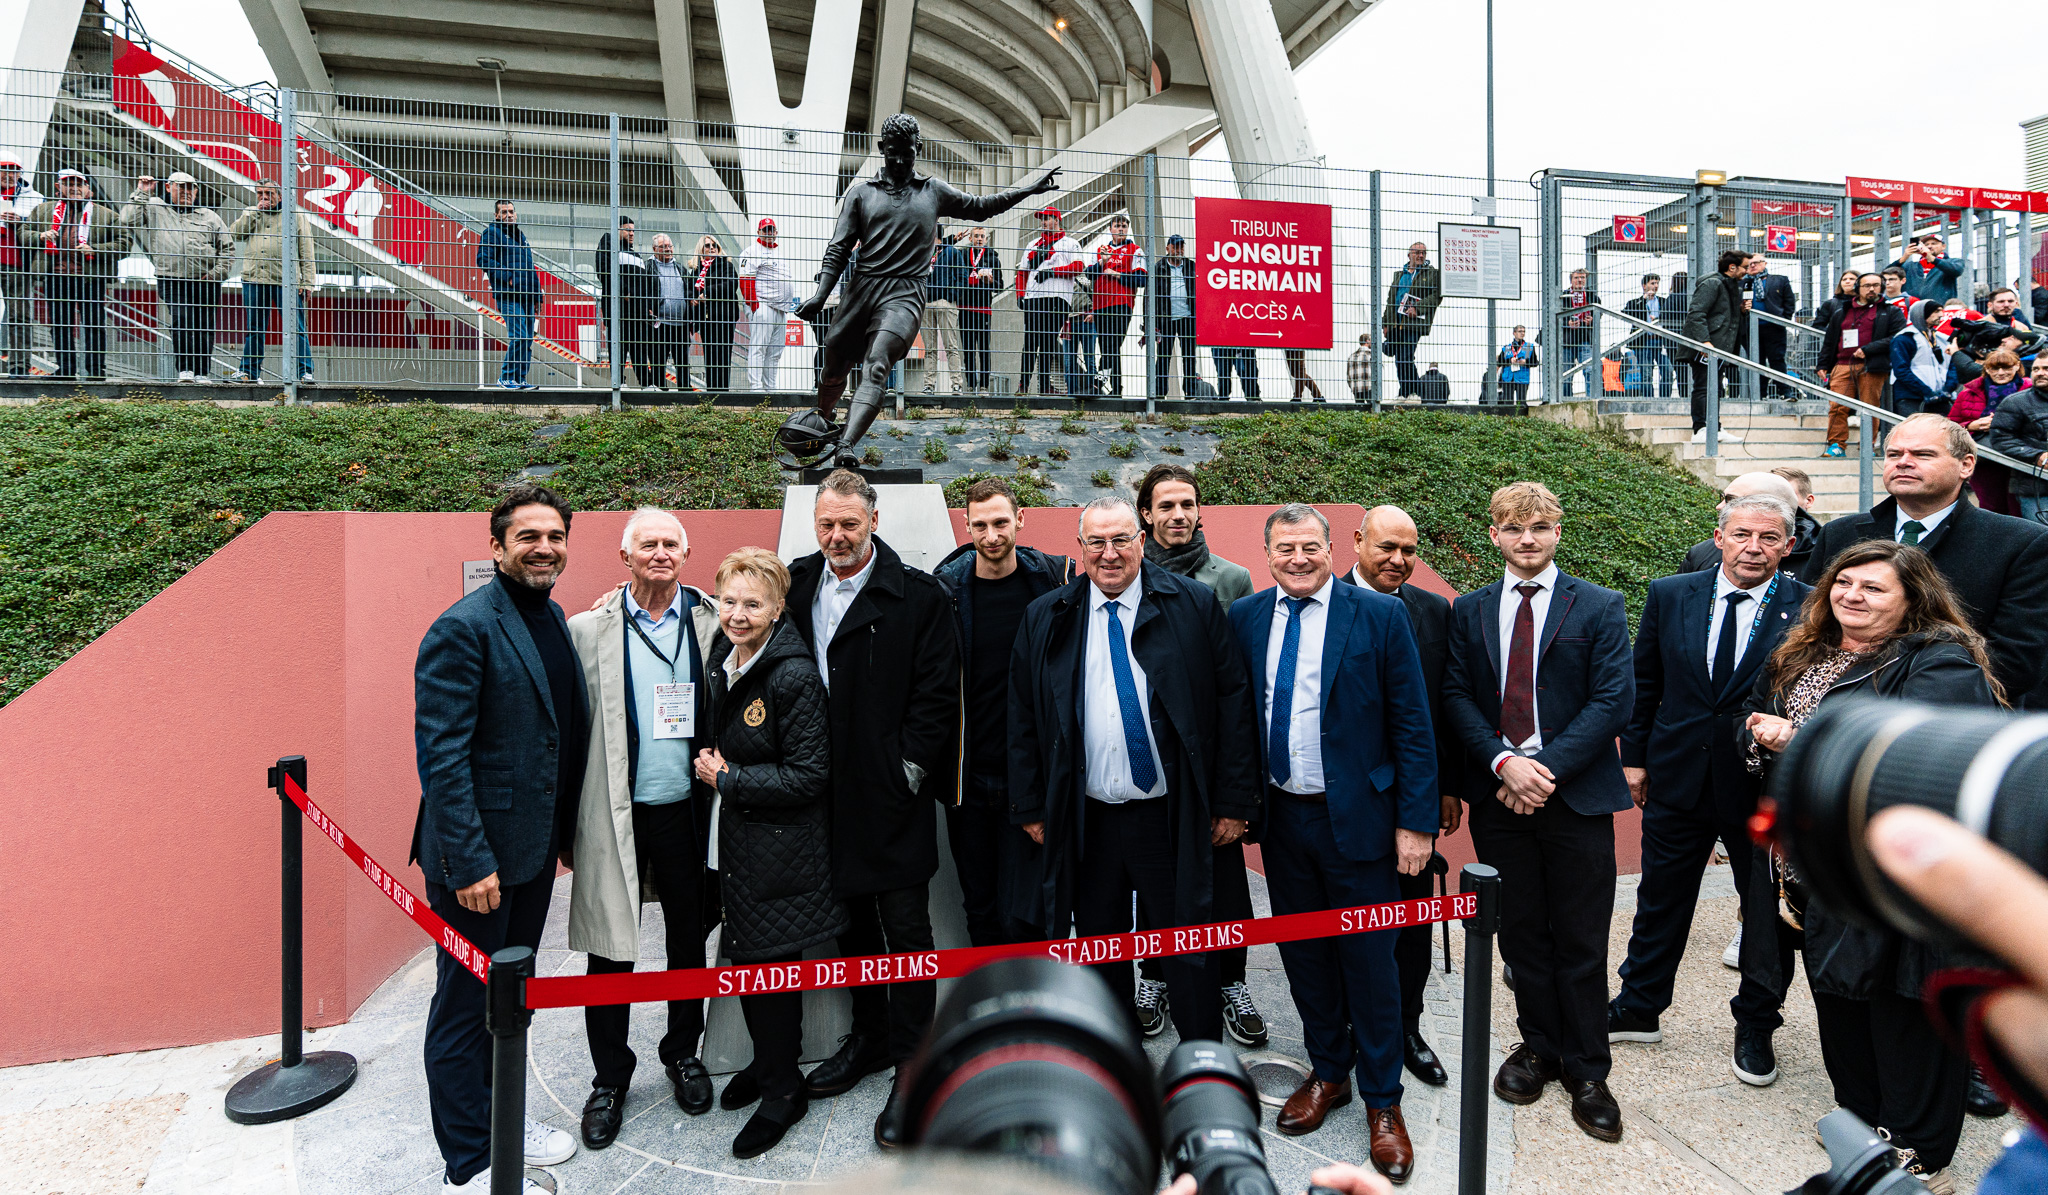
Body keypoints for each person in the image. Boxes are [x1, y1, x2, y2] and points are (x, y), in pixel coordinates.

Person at [1741, 539, 2002, 1191]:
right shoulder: (1807, 653)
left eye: (1874, 587)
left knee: (1902, 1015)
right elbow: (1767, 728)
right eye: (1843, 582)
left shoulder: (1940, 660)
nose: (1852, 595)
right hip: (1816, 868)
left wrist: (1798, 740)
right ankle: (1864, 1133)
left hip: (1898, 880)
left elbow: (1926, 758)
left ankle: (1917, 1155)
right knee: (1840, 1004)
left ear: (1912, 598)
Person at [1228, 505, 1435, 1182]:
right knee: (1305, 956)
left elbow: (1412, 724)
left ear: (1331, 548)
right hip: (1283, 823)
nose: (1298, 557)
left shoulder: (1378, 616)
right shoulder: (1248, 617)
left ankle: (1383, 1100)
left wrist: (1415, 823)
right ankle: (1328, 1071)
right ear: (1267, 552)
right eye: (1285, 547)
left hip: (1362, 822)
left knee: (1371, 963)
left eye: (1309, 546)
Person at [1008, 496, 1262, 1047]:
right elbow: (1023, 715)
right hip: (1087, 816)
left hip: (1170, 815)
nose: (1109, 553)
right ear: (1079, 548)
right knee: (1100, 947)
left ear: (1141, 540)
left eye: (1121, 539)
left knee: (1188, 948)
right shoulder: (1048, 615)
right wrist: (1031, 805)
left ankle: (1199, 1065)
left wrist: (1234, 801)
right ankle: (1116, 1064)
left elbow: (1233, 702)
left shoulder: (1191, 605)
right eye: (1096, 542)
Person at [1441, 481, 1634, 1144]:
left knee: (1580, 938)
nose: (1528, 539)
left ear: (1558, 532)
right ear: (1493, 533)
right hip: (1500, 798)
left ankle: (1587, 1068)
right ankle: (1539, 1047)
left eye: (1540, 527)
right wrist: (1503, 763)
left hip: (1574, 797)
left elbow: (1613, 701)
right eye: (1514, 528)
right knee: (1521, 934)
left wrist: (1539, 769)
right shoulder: (1468, 611)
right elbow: (1457, 696)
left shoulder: (1601, 605)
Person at [410, 485, 586, 1193]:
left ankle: (501, 1120)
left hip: (532, 851)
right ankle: (472, 1157)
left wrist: (562, 833)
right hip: (478, 861)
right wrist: (471, 858)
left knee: (511, 996)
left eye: (554, 535)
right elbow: (442, 756)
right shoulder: (463, 627)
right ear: (496, 546)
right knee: (464, 1003)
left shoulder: (553, 616)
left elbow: (555, 733)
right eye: (528, 536)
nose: (544, 546)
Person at [784, 470, 960, 1147]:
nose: (836, 536)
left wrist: (906, 770)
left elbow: (939, 694)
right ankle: (871, 1037)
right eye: (826, 524)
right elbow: (734, 617)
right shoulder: (798, 583)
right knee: (849, 927)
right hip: (821, 796)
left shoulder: (918, 595)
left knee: (906, 931)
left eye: (848, 524)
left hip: (891, 798)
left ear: (874, 521)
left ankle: (913, 1059)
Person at [1610, 494, 1810, 1089]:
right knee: (1661, 897)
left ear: (1788, 546)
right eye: (1743, 534)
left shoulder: (1809, 609)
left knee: (1765, 915)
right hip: (1676, 776)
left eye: (1769, 538)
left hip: (1760, 786)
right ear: (1718, 537)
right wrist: (1636, 759)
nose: (1754, 547)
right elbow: (1646, 680)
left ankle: (1756, 1024)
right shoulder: (1673, 593)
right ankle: (1639, 1005)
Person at [565, 508, 720, 1150]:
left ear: (685, 554)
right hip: (616, 812)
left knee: (688, 936)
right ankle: (609, 1077)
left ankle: (682, 1051)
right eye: (647, 544)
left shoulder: (713, 620)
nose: (660, 553)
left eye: (670, 545)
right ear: (624, 556)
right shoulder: (588, 628)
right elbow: (569, 733)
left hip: (687, 808)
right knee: (612, 947)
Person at [693, 547, 844, 1159]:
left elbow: (810, 775)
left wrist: (729, 780)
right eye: (729, 601)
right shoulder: (724, 659)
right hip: (738, 842)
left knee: (769, 969)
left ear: (780, 609)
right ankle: (767, 1063)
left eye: (753, 604)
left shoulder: (792, 675)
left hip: (779, 852)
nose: (737, 614)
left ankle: (784, 1093)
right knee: (750, 966)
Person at [791, 116, 1055, 463]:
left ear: (919, 150)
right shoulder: (861, 194)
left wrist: (1027, 191)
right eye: (893, 154)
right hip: (862, 290)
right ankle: (824, 420)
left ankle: (846, 445)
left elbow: (981, 208)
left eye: (907, 154)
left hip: (904, 294)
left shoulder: (933, 191)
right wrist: (821, 296)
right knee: (834, 367)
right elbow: (839, 248)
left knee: (876, 366)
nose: (900, 161)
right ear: (881, 150)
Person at [1338, 505, 1464, 1088]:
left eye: (1409, 551)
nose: (1399, 561)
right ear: (1358, 541)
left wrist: (1443, 788)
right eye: (1387, 547)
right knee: (1344, 923)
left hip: (1413, 796)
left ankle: (1407, 1028)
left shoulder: (1433, 610)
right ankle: (1345, 1029)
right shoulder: (1322, 601)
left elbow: (1443, 706)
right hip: (1346, 801)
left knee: (1410, 924)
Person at [1804, 413, 2048, 709]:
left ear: (1966, 465)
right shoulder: (1839, 534)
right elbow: (1809, 627)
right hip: (1836, 711)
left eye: (1923, 454)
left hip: (1950, 721)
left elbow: (2016, 660)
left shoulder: (2022, 542)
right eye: (1893, 454)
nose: (1903, 462)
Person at [934, 477, 1071, 946]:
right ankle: (993, 1010)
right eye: (979, 526)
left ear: (1020, 519)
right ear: (966, 527)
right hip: (968, 779)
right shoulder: (946, 591)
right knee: (980, 906)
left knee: (1030, 911)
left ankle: (1035, 1008)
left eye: (999, 523)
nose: (991, 536)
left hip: (1029, 778)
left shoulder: (1053, 583)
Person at [120, 171, 230, 383]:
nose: (187, 192)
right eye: (181, 187)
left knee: (203, 325)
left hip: (205, 279)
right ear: (169, 187)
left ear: (197, 191)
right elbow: (127, 219)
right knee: (181, 320)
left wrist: (217, 274)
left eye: (191, 188)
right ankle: (185, 369)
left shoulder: (209, 216)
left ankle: (201, 372)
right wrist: (142, 192)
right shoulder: (154, 207)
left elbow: (227, 248)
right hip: (171, 277)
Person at [32, 169, 120, 382]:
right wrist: (40, 235)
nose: (75, 188)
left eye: (80, 184)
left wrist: (96, 250)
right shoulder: (42, 210)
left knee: (94, 325)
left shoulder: (107, 215)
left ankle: (96, 371)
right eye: (68, 183)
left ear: (88, 189)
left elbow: (124, 244)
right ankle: (66, 370)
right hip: (56, 277)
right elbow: (24, 233)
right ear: (57, 187)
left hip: (90, 279)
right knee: (60, 325)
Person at [228, 178, 316, 384]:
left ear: (279, 195)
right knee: (255, 328)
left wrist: (308, 281)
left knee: (296, 327)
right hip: (254, 278)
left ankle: (304, 372)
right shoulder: (251, 213)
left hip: (286, 280)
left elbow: (306, 249)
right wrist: (254, 212)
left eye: (269, 193)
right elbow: (235, 233)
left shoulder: (296, 215)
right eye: (260, 193)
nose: (264, 197)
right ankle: (249, 372)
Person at [1817, 273, 1903, 458]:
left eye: (1876, 285)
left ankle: (1867, 446)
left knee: (1869, 407)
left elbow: (1897, 336)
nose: (1871, 289)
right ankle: (1836, 445)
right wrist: (1823, 364)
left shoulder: (1890, 311)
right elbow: (1830, 341)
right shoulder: (1842, 311)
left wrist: (1869, 349)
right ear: (1858, 288)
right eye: (1866, 285)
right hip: (1842, 364)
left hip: (1871, 366)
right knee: (1837, 406)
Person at [1676, 471, 1814, 576]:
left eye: (1731, 500)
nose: (1719, 506)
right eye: (1740, 535)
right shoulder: (1702, 553)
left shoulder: (1817, 558)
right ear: (1719, 538)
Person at [1014, 205, 1083, 397]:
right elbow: (1022, 272)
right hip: (1034, 297)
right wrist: (1020, 294)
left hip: (1057, 298)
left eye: (1047, 218)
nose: (1043, 222)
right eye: (1041, 219)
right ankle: (1023, 386)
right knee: (1030, 342)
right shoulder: (1033, 244)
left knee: (1047, 342)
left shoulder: (1070, 243)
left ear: (1057, 220)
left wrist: (1053, 271)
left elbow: (1078, 266)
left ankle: (1044, 386)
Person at [1682, 250, 1750, 442]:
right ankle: (1701, 429)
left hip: (1719, 346)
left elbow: (1722, 315)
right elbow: (1696, 314)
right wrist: (1705, 342)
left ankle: (1714, 427)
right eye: (1745, 267)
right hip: (1706, 345)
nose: (1747, 270)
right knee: (1704, 385)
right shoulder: (1713, 283)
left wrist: (1742, 311)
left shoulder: (1731, 286)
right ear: (1732, 267)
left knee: (1715, 387)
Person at [475, 199, 540, 390]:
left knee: (527, 339)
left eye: (511, 211)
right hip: (509, 294)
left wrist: (537, 296)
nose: (509, 215)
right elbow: (483, 259)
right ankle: (506, 377)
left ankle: (519, 379)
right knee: (519, 336)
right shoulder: (492, 233)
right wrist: (507, 276)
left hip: (527, 295)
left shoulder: (521, 237)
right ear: (496, 215)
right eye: (504, 212)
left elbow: (530, 267)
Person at [1088, 213, 1146, 397]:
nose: (1120, 228)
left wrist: (1117, 274)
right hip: (1100, 304)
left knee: (1113, 342)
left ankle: (1098, 381)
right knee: (1107, 346)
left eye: (1124, 225)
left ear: (1127, 229)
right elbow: (1088, 274)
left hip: (1122, 303)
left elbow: (1141, 279)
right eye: (1117, 225)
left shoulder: (1135, 250)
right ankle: (1116, 390)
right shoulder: (1101, 250)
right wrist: (1102, 262)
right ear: (1110, 229)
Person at [737, 217, 794, 392]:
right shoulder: (751, 251)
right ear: (759, 232)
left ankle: (771, 388)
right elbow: (745, 280)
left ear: (776, 233)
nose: (769, 233)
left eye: (771, 230)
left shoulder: (779, 253)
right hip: (764, 305)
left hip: (781, 309)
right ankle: (756, 387)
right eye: (765, 230)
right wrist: (755, 306)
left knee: (775, 352)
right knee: (758, 348)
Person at [1989, 355, 2048, 524]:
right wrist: (2037, 456)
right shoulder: (2016, 402)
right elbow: (2001, 439)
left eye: (2046, 369)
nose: (2040, 373)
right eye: (2036, 369)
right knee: (2043, 541)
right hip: (2036, 489)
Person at [0, 152, 41, 377]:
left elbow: (43, 226)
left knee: (20, 316)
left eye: (14, 170)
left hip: (17, 263)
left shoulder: (34, 197)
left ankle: (19, 367)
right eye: (4, 169)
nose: (9, 174)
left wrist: (22, 221)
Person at [1382, 242, 1440, 398]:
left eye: (1424, 253)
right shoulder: (1399, 275)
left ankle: (1412, 392)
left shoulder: (1431, 273)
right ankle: (1405, 392)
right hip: (1397, 323)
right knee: (1400, 359)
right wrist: (1385, 323)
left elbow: (1436, 296)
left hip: (1414, 323)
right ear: (1409, 255)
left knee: (1406, 356)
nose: (1421, 256)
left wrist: (1418, 308)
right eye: (1417, 252)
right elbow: (1390, 300)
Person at [688, 236, 740, 392]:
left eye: (715, 246)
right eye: (707, 246)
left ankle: (723, 393)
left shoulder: (726, 265)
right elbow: (690, 288)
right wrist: (693, 298)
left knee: (723, 356)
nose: (712, 248)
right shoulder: (696, 270)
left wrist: (706, 294)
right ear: (700, 250)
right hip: (705, 319)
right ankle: (712, 392)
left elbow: (730, 284)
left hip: (723, 318)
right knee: (710, 357)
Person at [1152, 234, 1199, 398]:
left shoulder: (1192, 267)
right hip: (1166, 320)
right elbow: (1149, 297)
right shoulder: (1158, 268)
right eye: (1175, 247)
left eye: (1181, 247)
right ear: (1168, 248)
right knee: (1163, 357)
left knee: (1189, 356)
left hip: (1188, 318)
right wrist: (1148, 323)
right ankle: (1159, 393)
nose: (1179, 250)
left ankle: (1191, 392)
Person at [645, 234, 693, 391]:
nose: (667, 249)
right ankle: (660, 396)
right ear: (654, 249)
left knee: (683, 363)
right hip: (660, 324)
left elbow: (690, 291)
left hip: (681, 325)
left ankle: (685, 396)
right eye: (663, 246)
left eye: (670, 246)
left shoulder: (681, 268)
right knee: (658, 362)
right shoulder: (648, 268)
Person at [921, 226, 964, 396]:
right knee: (930, 348)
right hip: (926, 303)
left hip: (945, 302)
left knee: (950, 345)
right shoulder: (923, 254)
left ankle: (956, 384)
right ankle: (929, 385)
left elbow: (962, 277)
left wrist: (951, 296)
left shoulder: (952, 253)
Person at [1744, 254, 1796, 396]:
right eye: (1750, 264)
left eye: (1756, 263)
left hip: (1774, 327)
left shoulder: (1779, 280)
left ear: (1764, 263)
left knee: (1777, 359)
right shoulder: (1743, 283)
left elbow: (1789, 302)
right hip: (1751, 328)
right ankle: (1760, 393)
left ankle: (1784, 391)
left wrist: (1783, 319)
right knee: (1756, 361)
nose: (1753, 266)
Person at [957, 226, 999, 394]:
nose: (979, 239)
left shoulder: (993, 258)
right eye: (976, 236)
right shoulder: (962, 256)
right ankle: (970, 384)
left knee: (983, 350)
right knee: (967, 350)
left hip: (983, 310)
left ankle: (984, 386)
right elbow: (957, 280)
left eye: (982, 236)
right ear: (970, 239)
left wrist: (990, 282)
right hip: (965, 309)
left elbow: (1000, 286)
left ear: (986, 239)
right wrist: (968, 281)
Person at [1890, 299, 1950, 415]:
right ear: (1922, 313)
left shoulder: (1942, 338)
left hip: (1940, 397)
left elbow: (1952, 366)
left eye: (1941, 311)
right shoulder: (1904, 338)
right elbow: (1901, 370)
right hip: (1911, 397)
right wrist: (1925, 391)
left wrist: (1947, 390)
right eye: (1936, 311)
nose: (1941, 315)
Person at [1622, 275, 1674, 398]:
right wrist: (1643, 300)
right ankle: (1648, 400)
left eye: (1657, 283)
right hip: (1643, 342)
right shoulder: (1635, 302)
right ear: (1644, 286)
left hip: (1661, 342)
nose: (1655, 286)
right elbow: (1627, 314)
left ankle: (1664, 400)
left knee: (1668, 371)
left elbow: (1671, 317)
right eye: (1652, 283)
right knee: (1646, 374)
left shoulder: (1663, 301)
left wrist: (1658, 320)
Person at [1557, 269, 1602, 398]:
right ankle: (1565, 400)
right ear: (1571, 280)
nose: (1580, 280)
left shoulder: (1592, 296)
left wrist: (1592, 319)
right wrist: (1567, 322)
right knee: (1565, 373)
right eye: (1577, 278)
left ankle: (1591, 399)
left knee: (1590, 370)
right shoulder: (1563, 296)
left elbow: (1599, 312)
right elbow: (1555, 314)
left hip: (1585, 338)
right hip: (1566, 340)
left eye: (1582, 277)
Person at [1891, 234, 1966, 305]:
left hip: (1939, 310)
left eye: (1934, 243)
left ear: (1943, 246)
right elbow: (1886, 275)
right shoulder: (1910, 266)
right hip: (1913, 311)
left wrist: (1932, 259)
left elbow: (1956, 270)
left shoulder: (1953, 262)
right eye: (1926, 245)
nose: (1930, 246)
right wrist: (1903, 258)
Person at [1061, 266, 1097, 398]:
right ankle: (1072, 393)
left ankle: (1091, 391)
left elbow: (1097, 293)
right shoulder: (1061, 275)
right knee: (1069, 361)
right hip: (1069, 321)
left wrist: (1094, 313)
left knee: (1089, 359)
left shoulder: (1086, 273)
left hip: (1087, 318)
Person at [1493, 326, 1536, 407]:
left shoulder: (1529, 347)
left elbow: (1535, 362)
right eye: (1520, 331)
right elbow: (1500, 362)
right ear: (1514, 333)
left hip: (1522, 378)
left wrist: (1526, 362)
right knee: (1508, 403)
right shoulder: (1506, 348)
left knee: (1521, 403)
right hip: (1508, 378)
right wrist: (1510, 361)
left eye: (1523, 331)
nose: (1522, 333)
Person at [1347, 332, 1372, 405]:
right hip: (1369, 387)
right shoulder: (1370, 355)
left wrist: (1353, 385)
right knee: (1372, 409)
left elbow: (1348, 376)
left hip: (1356, 388)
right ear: (1367, 341)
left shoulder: (1351, 356)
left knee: (1360, 409)